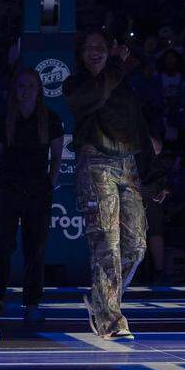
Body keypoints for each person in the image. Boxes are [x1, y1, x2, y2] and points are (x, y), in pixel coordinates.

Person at [64, 32, 151, 339]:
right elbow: (96, 95)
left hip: (128, 165)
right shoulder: (76, 85)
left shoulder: (123, 84)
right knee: (107, 245)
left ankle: (100, 298)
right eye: (90, 48)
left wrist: (156, 175)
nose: (96, 52)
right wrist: (116, 63)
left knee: (137, 245)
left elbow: (139, 127)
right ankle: (110, 321)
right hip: (96, 163)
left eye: (102, 47)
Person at [0, 68, 64, 322]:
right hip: (8, 189)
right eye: (21, 85)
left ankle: (32, 304)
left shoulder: (51, 119)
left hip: (37, 192)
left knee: (35, 249)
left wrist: (49, 183)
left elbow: (56, 157)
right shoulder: (3, 120)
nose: (26, 90)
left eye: (31, 85)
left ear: (39, 89)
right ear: (14, 89)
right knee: (2, 246)